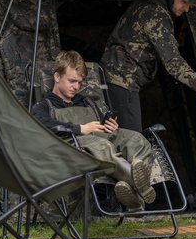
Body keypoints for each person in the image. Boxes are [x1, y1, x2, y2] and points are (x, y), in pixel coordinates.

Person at [32, 50, 156, 211]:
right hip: (77, 149)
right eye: (72, 81)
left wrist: (110, 127)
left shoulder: (87, 102)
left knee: (136, 139)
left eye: (79, 82)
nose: (76, 87)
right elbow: (40, 124)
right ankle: (139, 186)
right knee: (100, 145)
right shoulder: (44, 106)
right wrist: (79, 128)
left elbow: (103, 126)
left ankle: (132, 190)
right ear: (57, 77)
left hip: (102, 140)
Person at [100, 0, 196, 131]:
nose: (187, 9)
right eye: (185, 2)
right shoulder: (157, 15)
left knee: (119, 134)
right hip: (123, 80)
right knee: (132, 139)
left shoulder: (142, 5)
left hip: (112, 77)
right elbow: (172, 61)